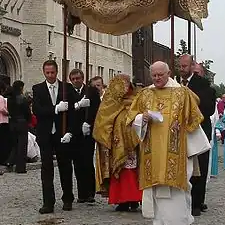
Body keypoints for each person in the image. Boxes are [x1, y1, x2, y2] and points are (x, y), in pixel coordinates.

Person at [127, 61, 210, 225]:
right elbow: (132, 117)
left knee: (176, 186)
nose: (157, 78)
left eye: (160, 75)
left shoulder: (181, 93)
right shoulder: (145, 94)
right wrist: (143, 117)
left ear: (168, 73)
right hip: (152, 149)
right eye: (154, 75)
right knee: (156, 186)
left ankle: (180, 222)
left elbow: (195, 117)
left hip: (176, 149)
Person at [93, 74, 142, 212]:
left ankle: (133, 198)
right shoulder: (110, 102)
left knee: (132, 170)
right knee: (120, 172)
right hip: (116, 143)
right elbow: (103, 120)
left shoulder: (136, 100)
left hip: (133, 144)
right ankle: (123, 199)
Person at [32, 60, 76, 214]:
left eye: (52, 72)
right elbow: (37, 110)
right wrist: (55, 108)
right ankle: (48, 202)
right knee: (47, 169)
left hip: (62, 134)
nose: (50, 75)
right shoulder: (38, 89)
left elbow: (72, 113)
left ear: (57, 72)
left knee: (65, 167)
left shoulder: (66, 88)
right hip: (45, 135)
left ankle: (68, 199)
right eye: (47, 72)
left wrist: (70, 131)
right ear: (44, 72)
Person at [177, 55, 216, 216]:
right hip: (177, 131)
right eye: (180, 66)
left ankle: (197, 202)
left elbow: (208, 109)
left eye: (185, 66)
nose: (182, 69)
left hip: (197, 130)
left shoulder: (203, 84)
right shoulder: (172, 83)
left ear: (192, 66)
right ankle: (180, 200)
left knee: (199, 165)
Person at [68, 68, 100, 203]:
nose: (76, 81)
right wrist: (77, 105)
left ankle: (90, 192)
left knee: (87, 161)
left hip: (87, 131)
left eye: (78, 78)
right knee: (77, 163)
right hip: (74, 132)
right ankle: (81, 193)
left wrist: (89, 122)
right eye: (73, 79)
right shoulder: (68, 92)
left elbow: (97, 109)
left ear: (82, 78)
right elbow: (67, 109)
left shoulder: (91, 91)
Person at [7, 81, 31, 174]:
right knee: (22, 146)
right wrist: (27, 121)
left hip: (13, 123)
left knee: (15, 145)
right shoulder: (22, 99)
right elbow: (27, 113)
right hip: (22, 123)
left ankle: (11, 161)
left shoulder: (9, 98)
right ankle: (20, 167)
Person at [0, 81, 10, 174]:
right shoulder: (1, 98)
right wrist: (9, 113)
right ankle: (3, 160)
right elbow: (2, 109)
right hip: (3, 122)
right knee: (3, 143)